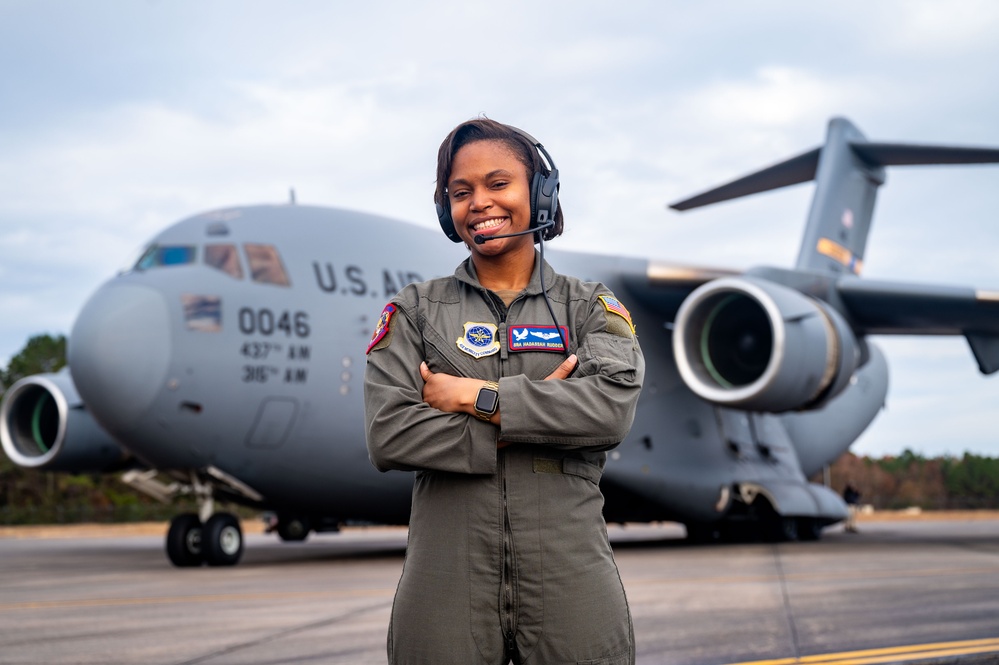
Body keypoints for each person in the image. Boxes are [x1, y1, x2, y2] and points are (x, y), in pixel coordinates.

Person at [364, 117, 645, 665]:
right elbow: (388, 433)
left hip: (570, 576)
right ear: (447, 210)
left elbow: (609, 411)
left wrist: (480, 398)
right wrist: (541, 417)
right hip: (446, 580)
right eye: (460, 192)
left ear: (539, 194)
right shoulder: (415, 311)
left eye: (498, 184)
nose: (479, 204)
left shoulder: (589, 307)